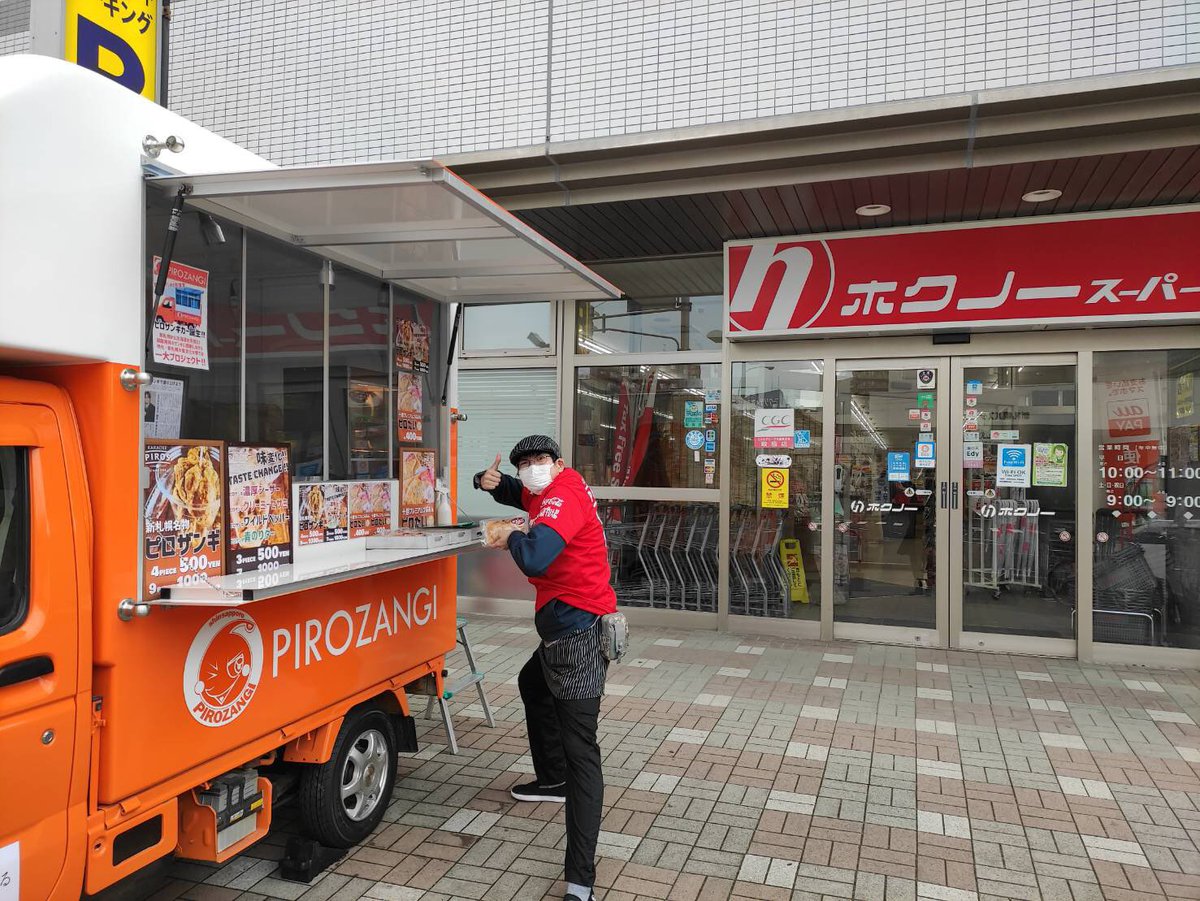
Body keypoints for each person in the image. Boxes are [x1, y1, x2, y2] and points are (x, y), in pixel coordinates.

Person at [476, 435, 616, 901]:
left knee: (582, 753)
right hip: (561, 628)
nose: (532, 468)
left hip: (578, 633)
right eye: (525, 463)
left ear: (559, 463)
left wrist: (512, 535)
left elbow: (535, 555)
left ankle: (580, 881)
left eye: (540, 460)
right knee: (532, 684)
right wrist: (486, 482)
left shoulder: (563, 495)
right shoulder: (544, 489)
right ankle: (552, 779)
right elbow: (518, 492)